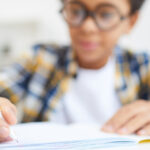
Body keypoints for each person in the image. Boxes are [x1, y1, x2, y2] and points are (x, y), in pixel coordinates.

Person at [0, 0, 148, 142]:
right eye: (76, 11)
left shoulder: (143, 67)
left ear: (131, 21)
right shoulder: (40, 59)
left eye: (106, 15)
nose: (87, 27)